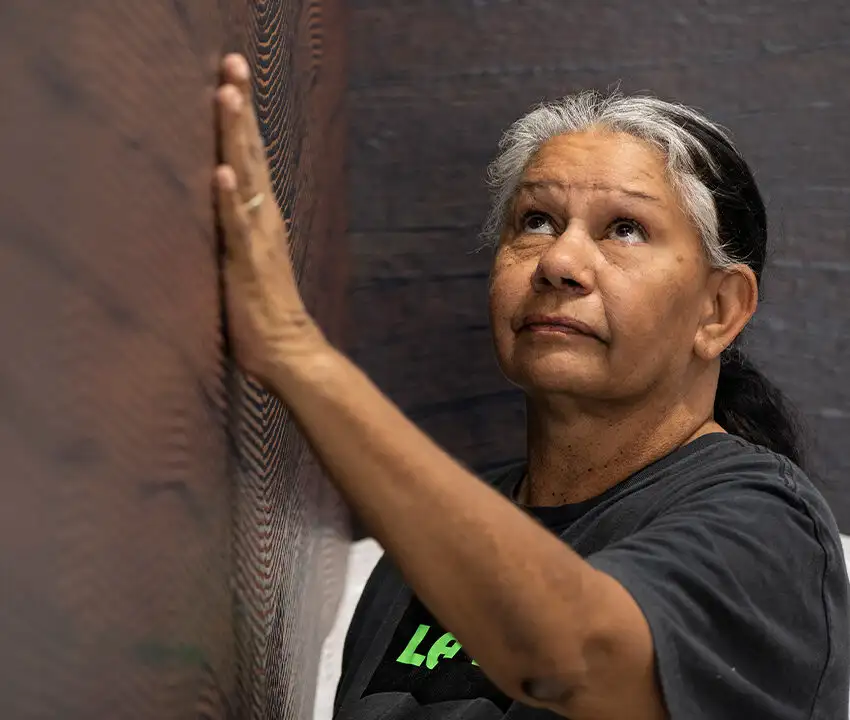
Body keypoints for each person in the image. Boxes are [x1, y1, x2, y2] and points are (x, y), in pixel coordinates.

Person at [214, 53, 849, 720]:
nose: (559, 261)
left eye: (625, 230)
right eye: (536, 221)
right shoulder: (420, 548)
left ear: (718, 310)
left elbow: (570, 656)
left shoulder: (769, 527)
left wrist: (294, 351)